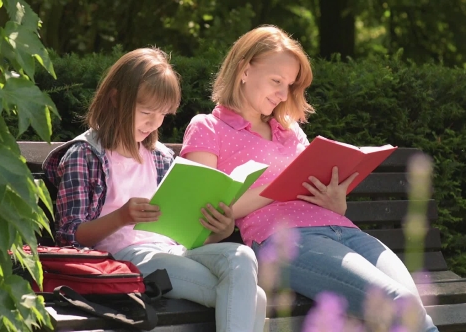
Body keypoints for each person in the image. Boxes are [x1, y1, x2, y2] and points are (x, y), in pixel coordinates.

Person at [180, 26, 439, 331]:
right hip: (286, 240)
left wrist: (335, 202)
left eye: (289, 85)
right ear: (244, 70)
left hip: (343, 230)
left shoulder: (289, 130)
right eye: (276, 81)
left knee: (414, 310)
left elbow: (312, 188)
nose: (282, 94)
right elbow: (204, 209)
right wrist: (280, 188)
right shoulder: (208, 128)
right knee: (400, 305)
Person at [43, 48, 266, 332]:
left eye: (162, 114)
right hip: (127, 260)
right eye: (146, 112)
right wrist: (122, 216)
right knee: (253, 298)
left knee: (242, 256)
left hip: (174, 253)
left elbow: (184, 233)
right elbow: (69, 237)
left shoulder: (160, 157)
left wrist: (219, 230)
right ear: (115, 99)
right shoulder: (84, 155)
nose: (154, 123)